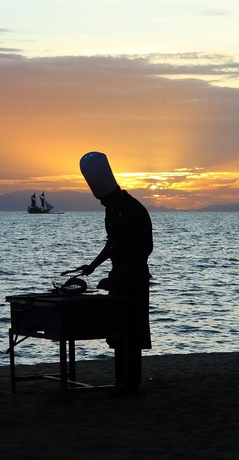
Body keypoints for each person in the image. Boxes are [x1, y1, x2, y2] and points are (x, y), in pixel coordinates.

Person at [77, 151, 153, 393]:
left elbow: (142, 254)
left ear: (112, 192)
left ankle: (132, 384)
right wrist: (93, 265)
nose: (101, 204)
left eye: (103, 199)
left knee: (132, 334)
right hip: (117, 278)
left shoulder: (135, 211)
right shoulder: (111, 210)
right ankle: (120, 380)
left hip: (134, 280)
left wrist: (115, 279)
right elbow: (111, 243)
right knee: (118, 333)